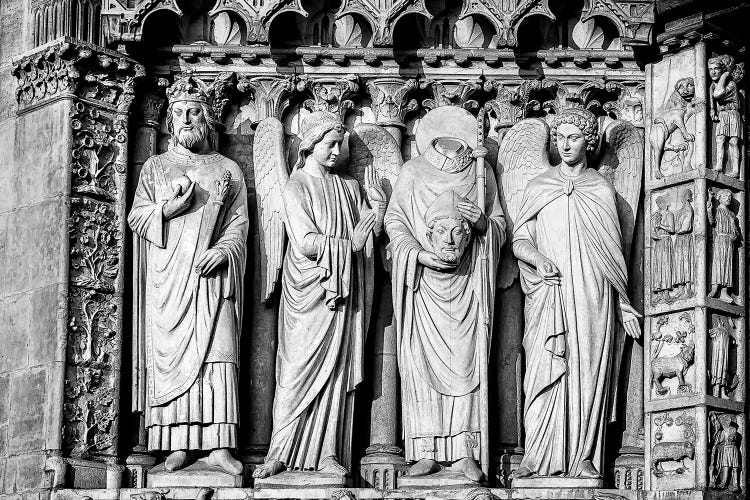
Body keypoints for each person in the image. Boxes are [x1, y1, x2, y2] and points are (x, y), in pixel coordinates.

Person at [128, 75, 249, 475]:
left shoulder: (227, 169)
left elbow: (240, 224)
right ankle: (174, 442)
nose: (185, 119)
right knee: (170, 359)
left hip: (213, 279)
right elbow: (137, 216)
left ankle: (219, 443)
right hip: (168, 278)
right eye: (177, 112)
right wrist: (167, 210)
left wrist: (224, 250)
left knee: (219, 352)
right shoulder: (157, 167)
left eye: (193, 111)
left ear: (208, 116)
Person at [253, 111, 383, 479]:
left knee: (336, 374)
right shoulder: (295, 186)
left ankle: (329, 451)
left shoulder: (349, 188)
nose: (337, 151)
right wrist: (350, 243)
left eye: (340, 144)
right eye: (330, 144)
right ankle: (279, 449)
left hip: (341, 293)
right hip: (308, 292)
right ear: (311, 145)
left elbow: (369, 234)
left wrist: (379, 208)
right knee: (294, 371)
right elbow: (306, 241)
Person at [513, 109, 641, 480]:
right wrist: (537, 258)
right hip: (549, 291)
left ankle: (584, 455)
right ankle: (538, 457)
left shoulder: (600, 187)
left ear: (589, 141)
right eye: (560, 138)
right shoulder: (540, 185)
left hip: (592, 293)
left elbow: (615, 253)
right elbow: (520, 239)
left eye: (573, 137)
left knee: (587, 371)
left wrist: (622, 303)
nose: (565, 145)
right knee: (543, 368)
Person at [386, 136, 505, 482]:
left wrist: (482, 222)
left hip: (469, 283)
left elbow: (500, 225)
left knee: (469, 363)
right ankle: (426, 451)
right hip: (422, 284)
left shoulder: (480, 171)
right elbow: (395, 223)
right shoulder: (413, 172)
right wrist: (418, 254)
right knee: (420, 365)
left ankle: (466, 451)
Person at [709, 55, 743, 177]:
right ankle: (719, 166)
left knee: (733, 142)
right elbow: (711, 97)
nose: (713, 72)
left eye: (716, 69)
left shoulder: (731, 84)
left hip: (733, 114)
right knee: (720, 139)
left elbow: (718, 94)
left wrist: (724, 75)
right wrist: (712, 109)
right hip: (722, 115)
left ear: (723, 69)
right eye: (710, 69)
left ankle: (735, 170)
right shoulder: (712, 85)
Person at [707, 189, 739, 303]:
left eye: (729, 196)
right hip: (719, 239)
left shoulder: (731, 214)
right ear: (719, 198)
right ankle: (714, 288)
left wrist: (734, 235)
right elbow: (711, 222)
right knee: (718, 263)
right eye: (725, 196)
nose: (728, 198)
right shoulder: (717, 210)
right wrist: (709, 207)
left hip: (729, 241)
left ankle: (724, 292)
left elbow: (735, 230)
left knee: (727, 264)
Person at [651, 194, 675, 303]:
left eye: (660, 203)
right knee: (658, 265)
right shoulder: (656, 214)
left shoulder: (669, 214)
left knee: (666, 265)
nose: (659, 205)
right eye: (658, 203)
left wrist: (660, 225)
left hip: (666, 241)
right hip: (658, 242)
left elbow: (671, 229)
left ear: (665, 203)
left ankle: (666, 292)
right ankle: (659, 291)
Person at [672, 189, 695, 299]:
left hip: (685, 238)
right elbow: (677, 227)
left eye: (688, 195)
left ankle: (688, 288)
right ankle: (680, 289)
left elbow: (685, 228)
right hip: (679, 239)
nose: (686, 197)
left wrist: (678, 228)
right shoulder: (680, 211)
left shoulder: (689, 210)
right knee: (678, 262)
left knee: (686, 261)